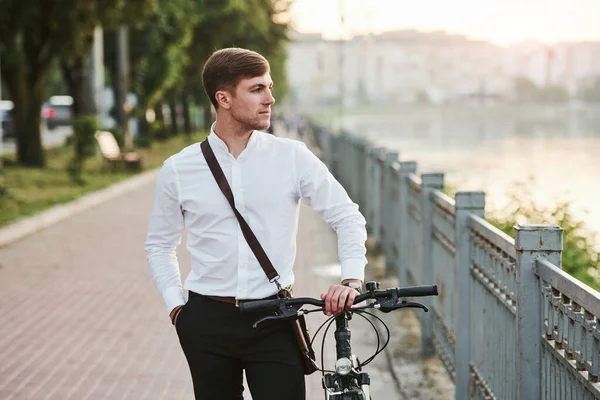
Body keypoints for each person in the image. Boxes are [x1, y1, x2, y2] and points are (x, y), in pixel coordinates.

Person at [144, 47, 367, 400]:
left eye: (270, 87)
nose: (270, 99)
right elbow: (159, 243)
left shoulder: (291, 157)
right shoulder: (179, 168)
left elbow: (346, 215)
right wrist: (176, 306)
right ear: (224, 98)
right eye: (257, 89)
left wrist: (351, 279)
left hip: (275, 318)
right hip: (206, 319)